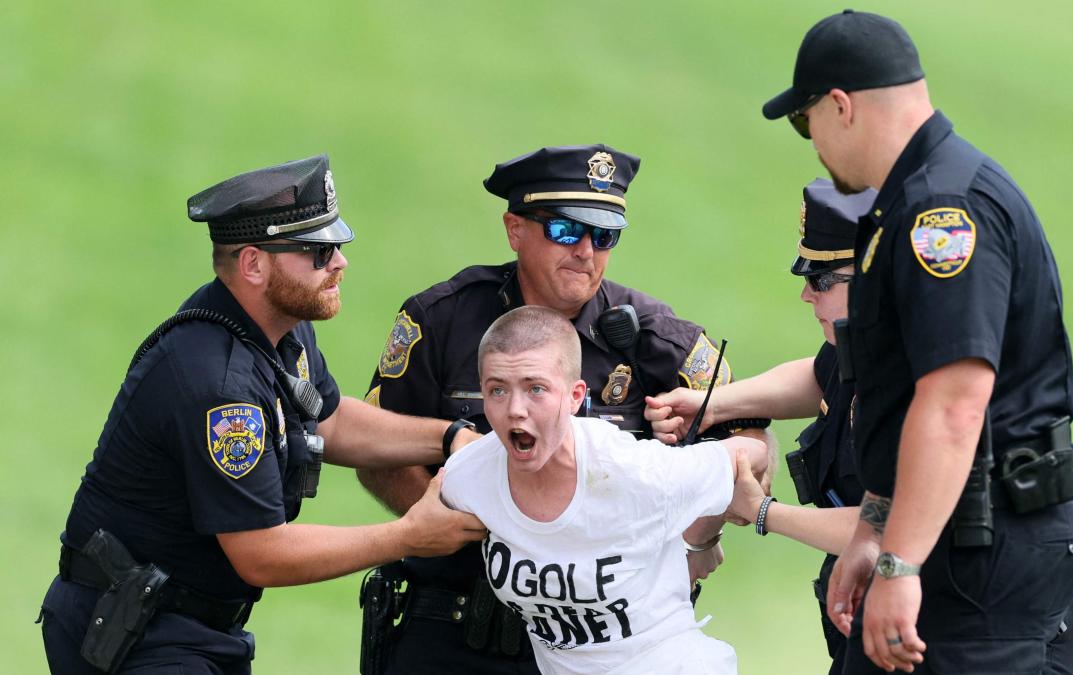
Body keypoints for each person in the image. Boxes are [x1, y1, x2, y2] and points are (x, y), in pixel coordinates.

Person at [38, 155, 486, 675]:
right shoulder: (219, 388)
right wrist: (408, 535)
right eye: (319, 252)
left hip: (189, 627)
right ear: (253, 264)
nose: (339, 262)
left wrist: (452, 437)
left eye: (337, 245)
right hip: (137, 634)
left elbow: (331, 421)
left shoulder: (282, 330)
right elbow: (262, 553)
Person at [762, 10, 1073, 674]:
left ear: (841, 106)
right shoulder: (913, 198)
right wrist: (874, 526)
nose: (814, 146)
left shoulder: (943, 213)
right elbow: (904, 390)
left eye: (807, 124)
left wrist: (899, 559)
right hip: (949, 535)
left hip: (985, 556)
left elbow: (953, 403)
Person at [356, 144, 768, 674]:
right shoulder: (441, 321)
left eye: (605, 236)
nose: (586, 251)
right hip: (457, 628)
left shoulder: (658, 340)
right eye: (566, 231)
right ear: (514, 229)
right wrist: (493, 533)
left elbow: (752, 446)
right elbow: (375, 453)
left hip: (606, 641)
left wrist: (697, 538)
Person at [442, 305, 769, 674]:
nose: (516, 410)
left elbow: (753, 453)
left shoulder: (632, 470)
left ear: (575, 396)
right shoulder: (468, 478)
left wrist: (697, 539)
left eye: (536, 389)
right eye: (497, 390)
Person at [646, 178, 871, 673]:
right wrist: (715, 405)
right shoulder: (861, 343)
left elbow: (887, 526)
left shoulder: (909, 373)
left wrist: (762, 510)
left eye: (822, 280)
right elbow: (819, 378)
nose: (805, 295)